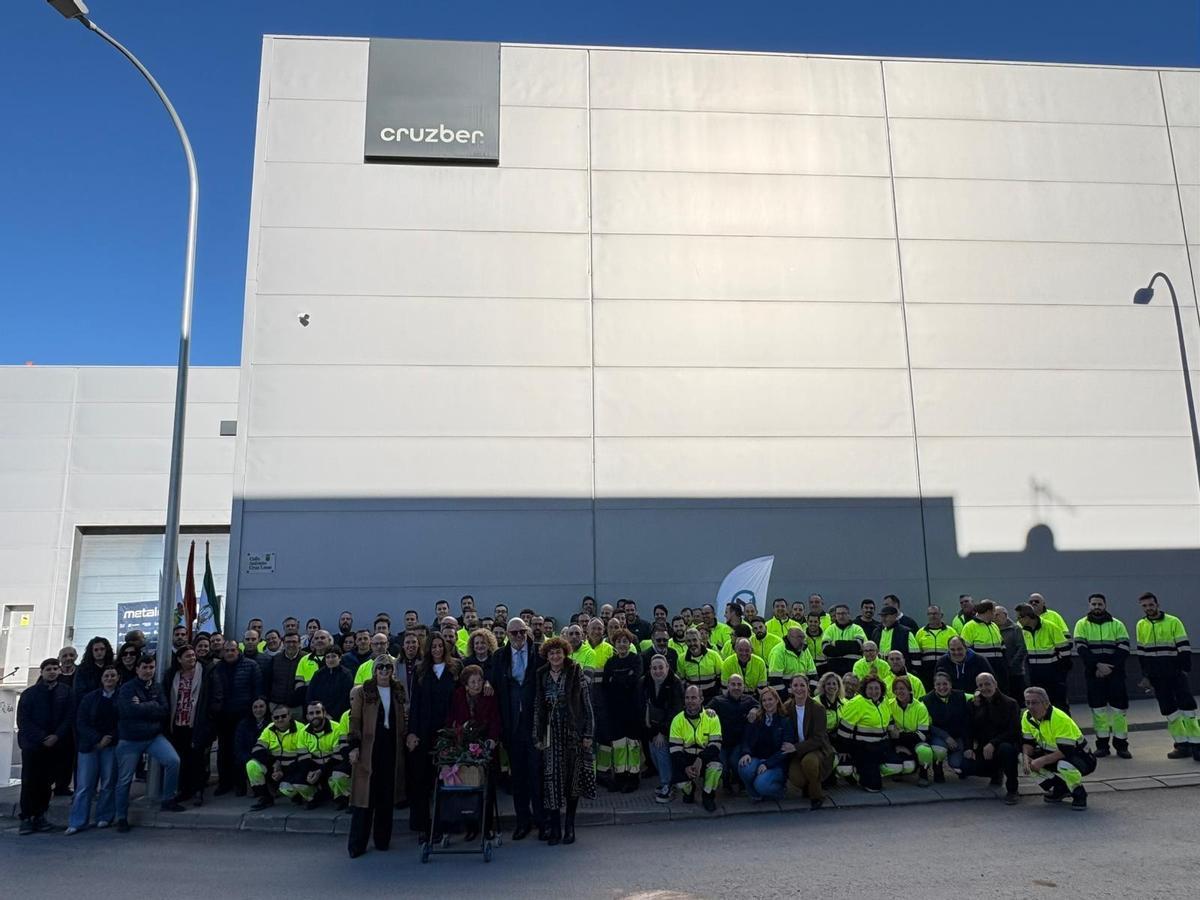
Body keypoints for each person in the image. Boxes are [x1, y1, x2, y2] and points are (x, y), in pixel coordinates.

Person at [533, 636, 595, 845]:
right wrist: (537, 735)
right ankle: (556, 828)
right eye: (551, 653)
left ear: (565, 653)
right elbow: (537, 708)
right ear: (547, 656)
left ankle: (570, 826)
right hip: (551, 734)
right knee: (552, 781)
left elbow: (586, 705)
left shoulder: (575, 671)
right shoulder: (541, 675)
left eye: (559, 652)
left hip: (572, 732)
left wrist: (588, 734)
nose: (555, 656)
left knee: (572, 781)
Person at [115, 654, 185, 832]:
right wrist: (151, 705)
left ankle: (168, 799)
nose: (148, 671)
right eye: (144, 668)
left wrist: (144, 706)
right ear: (137, 669)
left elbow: (164, 711)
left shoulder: (157, 687)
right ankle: (121, 816)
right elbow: (129, 711)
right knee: (124, 779)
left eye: (151, 668)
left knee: (173, 761)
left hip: (153, 737)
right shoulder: (127, 688)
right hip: (130, 739)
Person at [493, 617, 545, 841]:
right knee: (519, 777)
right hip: (512, 725)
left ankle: (542, 821)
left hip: (534, 724)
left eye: (522, 632)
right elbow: (494, 684)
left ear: (528, 632)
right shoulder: (500, 657)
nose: (518, 637)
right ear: (507, 635)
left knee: (537, 775)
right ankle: (522, 821)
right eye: (513, 633)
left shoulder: (539, 653)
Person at [1134, 591, 1199, 760]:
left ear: (1157, 604)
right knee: (1169, 711)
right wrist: (1146, 675)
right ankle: (1182, 745)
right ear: (1142, 607)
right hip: (1157, 676)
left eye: (1151, 605)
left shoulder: (1173, 621)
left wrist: (1183, 670)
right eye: (1145, 606)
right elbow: (1142, 653)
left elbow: (1183, 647)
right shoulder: (1141, 625)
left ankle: (1197, 745)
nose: (1149, 608)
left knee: (1187, 708)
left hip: (1175, 674)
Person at [408, 633, 461, 839]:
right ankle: (423, 827)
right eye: (434, 646)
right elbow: (415, 705)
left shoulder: (455, 668)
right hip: (424, 731)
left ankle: (446, 824)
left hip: (449, 732)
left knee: (447, 780)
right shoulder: (421, 671)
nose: (437, 649)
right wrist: (412, 732)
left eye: (440, 646)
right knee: (423, 780)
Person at [1068, 593, 1129, 758]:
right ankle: (1102, 746)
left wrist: (1110, 668)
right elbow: (1081, 649)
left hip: (1115, 674)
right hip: (1093, 673)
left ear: (1105, 605)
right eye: (1093, 604)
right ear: (1089, 606)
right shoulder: (1081, 624)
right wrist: (1097, 666)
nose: (1096, 607)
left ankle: (1122, 746)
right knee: (1098, 711)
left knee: (1119, 711)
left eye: (1099, 604)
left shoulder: (1117, 624)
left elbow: (1124, 648)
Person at [16, 658, 73, 834]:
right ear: (41, 672)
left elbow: (69, 717)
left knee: (47, 783)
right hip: (33, 746)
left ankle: (40, 816)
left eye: (55, 668)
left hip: (55, 746)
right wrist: (42, 737)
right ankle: (26, 817)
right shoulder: (30, 694)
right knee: (29, 782)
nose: (52, 671)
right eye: (48, 669)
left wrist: (56, 736)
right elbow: (24, 720)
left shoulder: (66, 692)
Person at [447, 664, 501, 842]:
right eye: (473, 682)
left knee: (487, 789)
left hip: (485, 743)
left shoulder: (489, 696)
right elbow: (452, 718)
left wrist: (493, 739)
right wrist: (454, 737)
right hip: (464, 744)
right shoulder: (458, 696)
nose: (477, 685)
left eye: (479, 681)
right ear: (466, 684)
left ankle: (487, 827)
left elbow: (495, 719)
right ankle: (471, 827)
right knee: (467, 788)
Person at [66, 664, 121, 834]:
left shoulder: (121, 698)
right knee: (84, 785)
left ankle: (104, 817)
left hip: (111, 746)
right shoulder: (90, 698)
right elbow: (81, 721)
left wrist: (108, 738)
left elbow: (123, 720)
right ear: (101, 679)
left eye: (113, 676)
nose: (110, 679)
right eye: (106, 676)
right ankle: (77, 821)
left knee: (108, 783)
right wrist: (97, 739)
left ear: (118, 678)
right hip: (89, 746)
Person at [1021, 686, 1089, 810]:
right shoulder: (1026, 716)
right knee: (1022, 758)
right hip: (1051, 754)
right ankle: (1060, 789)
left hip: (1080, 757)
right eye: (1027, 702)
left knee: (1064, 765)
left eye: (1034, 702)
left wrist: (1040, 761)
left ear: (1046, 704)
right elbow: (1027, 742)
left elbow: (1066, 751)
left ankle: (1079, 793)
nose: (1030, 706)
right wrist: (1026, 757)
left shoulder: (1059, 719)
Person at [210, 639, 262, 797]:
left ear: (238, 651)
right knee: (224, 750)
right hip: (223, 715)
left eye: (233, 650)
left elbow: (258, 689)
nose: (230, 653)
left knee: (240, 750)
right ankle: (224, 783)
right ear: (223, 652)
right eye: (227, 650)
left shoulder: (251, 665)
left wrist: (255, 711)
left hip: (244, 715)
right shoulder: (217, 668)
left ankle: (240, 784)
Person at [164, 646, 213, 807]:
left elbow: (212, 696)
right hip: (178, 722)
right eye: (187, 656)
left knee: (197, 758)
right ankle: (184, 790)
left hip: (198, 722)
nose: (192, 658)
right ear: (179, 659)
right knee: (182, 758)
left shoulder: (206, 671)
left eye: (193, 655)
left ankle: (198, 791)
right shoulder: (173, 674)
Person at [836, 675, 899, 792]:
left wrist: (896, 741)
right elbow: (843, 730)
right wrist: (843, 750)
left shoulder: (884, 701)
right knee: (873, 788)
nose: (874, 691)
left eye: (877, 688)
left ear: (881, 689)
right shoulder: (856, 703)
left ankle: (872, 771)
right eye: (870, 688)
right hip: (862, 747)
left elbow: (890, 721)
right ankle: (857, 772)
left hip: (881, 745)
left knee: (898, 765)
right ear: (864, 689)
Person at [966, 672, 1021, 804]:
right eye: (980, 685)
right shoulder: (974, 704)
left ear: (995, 684)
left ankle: (1013, 790)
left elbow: (1013, 731)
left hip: (1004, 744)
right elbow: (969, 728)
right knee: (967, 766)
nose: (984, 688)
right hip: (984, 747)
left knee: (1006, 750)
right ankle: (995, 772)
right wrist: (969, 748)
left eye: (987, 684)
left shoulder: (1010, 703)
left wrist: (993, 743)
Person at [783, 675, 835, 808]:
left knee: (809, 762)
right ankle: (808, 785)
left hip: (816, 749)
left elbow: (819, 738)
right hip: (797, 751)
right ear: (791, 688)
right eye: (795, 685)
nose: (799, 689)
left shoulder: (818, 708)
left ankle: (817, 795)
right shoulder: (787, 707)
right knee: (796, 777)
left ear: (808, 688)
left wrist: (796, 747)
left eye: (802, 685)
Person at [601, 628, 643, 793]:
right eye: (619, 641)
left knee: (632, 744)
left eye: (625, 641)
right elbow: (606, 683)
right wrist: (625, 677)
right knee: (618, 744)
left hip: (633, 708)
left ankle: (633, 778)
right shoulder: (610, 662)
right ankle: (620, 776)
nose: (622, 644)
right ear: (614, 644)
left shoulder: (636, 659)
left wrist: (616, 679)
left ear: (630, 643)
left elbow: (634, 680)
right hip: (615, 709)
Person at [247, 705, 312, 810]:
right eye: (276, 717)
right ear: (272, 718)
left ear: (290, 716)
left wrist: (282, 771)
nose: (280, 719)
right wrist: (274, 763)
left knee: (286, 788)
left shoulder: (301, 729)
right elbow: (257, 750)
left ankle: (301, 796)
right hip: (276, 768)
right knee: (252, 765)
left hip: (295, 768)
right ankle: (265, 798)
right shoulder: (269, 728)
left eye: (283, 716)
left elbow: (304, 758)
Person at [670, 684, 723, 812]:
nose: (690, 701)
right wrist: (685, 767)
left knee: (716, 767)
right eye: (687, 698)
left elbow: (716, 746)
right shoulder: (677, 720)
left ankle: (708, 796)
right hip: (686, 758)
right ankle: (689, 790)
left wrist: (700, 759)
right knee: (680, 783)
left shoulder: (712, 717)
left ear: (701, 699)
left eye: (694, 698)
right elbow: (674, 750)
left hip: (706, 756)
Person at [737, 687, 795, 800]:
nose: (767, 703)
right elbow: (746, 739)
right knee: (744, 767)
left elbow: (785, 751)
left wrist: (768, 764)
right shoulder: (757, 719)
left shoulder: (785, 721)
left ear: (777, 700)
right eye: (764, 700)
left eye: (770, 699)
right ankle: (755, 794)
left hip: (776, 764)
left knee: (761, 784)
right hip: (758, 759)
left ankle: (778, 791)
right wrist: (746, 753)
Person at [640, 654, 684, 803]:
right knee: (653, 753)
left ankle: (668, 785)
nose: (657, 671)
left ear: (667, 668)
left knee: (661, 749)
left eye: (661, 668)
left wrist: (662, 732)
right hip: (651, 726)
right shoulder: (645, 681)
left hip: (671, 727)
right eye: (654, 668)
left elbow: (675, 710)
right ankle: (667, 781)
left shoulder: (675, 683)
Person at [1015, 602, 1072, 713]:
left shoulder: (1050, 627)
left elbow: (1065, 652)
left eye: (1019, 617)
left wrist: (1060, 674)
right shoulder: (1021, 630)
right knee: (1039, 705)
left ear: (1027, 617)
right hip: (1034, 673)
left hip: (1053, 674)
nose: (1018, 620)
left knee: (1059, 704)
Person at [707, 673, 758, 792]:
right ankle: (726, 783)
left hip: (739, 743)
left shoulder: (749, 700)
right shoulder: (717, 701)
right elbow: (705, 711)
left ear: (743, 687)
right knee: (722, 766)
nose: (736, 687)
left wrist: (755, 709)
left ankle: (739, 780)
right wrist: (708, 710)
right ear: (727, 686)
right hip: (721, 743)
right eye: (733, 684)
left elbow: (759, 705)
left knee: (736, 762)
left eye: (739, 684)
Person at [923, 671, 971, 781]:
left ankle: (958, 766)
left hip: (957, 736)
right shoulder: (926, 701)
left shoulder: (961, 696)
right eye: (938, 684)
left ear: (950, 685)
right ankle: (937, 767)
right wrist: (946, 737)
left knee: (958, 764)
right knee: (939, 750)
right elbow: (928, 725)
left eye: (945, 684)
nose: (942, 687)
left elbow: (977, 696)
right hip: (939, 736)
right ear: (934, 686)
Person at [304, 700, 350, 811]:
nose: (315, 716)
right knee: (291, 785)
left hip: (333, 765)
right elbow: (302, 758)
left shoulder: (337, 728)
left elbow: (338, 757)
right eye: (311, 713)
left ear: (324, 713)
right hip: (315, 767)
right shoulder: (303, 732)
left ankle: (345, 799)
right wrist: (310, 772)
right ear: (307, 716)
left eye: (318, 712)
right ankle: (316, 797)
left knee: (336, 776)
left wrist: (320, 771)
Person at [887, 676, 933, 786]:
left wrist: (900, 735)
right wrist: (898, 744)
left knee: (924, 751)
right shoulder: (889, 705)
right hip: (897, 744)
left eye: (902, 688)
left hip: (916, 743)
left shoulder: (920, 707)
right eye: (896, 689)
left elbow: (922, 735)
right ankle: (899, 770)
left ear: (909, 689)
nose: (899, 691)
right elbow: (890, 732)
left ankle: (923, 774)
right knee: (906, 766)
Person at [959, 600, 1006, 692]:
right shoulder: (969, 626)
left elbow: (1002, 646)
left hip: (998, 667)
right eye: (994, 611)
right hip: (980, 668)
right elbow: (965, 650)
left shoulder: (994, 626)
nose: (995, 614)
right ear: (988, 612)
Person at [234, 698, 270, 796]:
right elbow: (239, 748)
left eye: (261, 706)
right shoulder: (243, 724)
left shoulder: (272, 724)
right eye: (255, 707)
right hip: (248, 758)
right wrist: (250, 759)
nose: (258, 710)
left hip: (266, 759)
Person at [677, 627, 724, 702]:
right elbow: (682, 681)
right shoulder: (681, 659)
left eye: (695, 640)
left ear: (700, 640)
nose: (692, 644)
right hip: (692, 700)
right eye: (689, 641)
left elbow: (721, 677)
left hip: (712, 698)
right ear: (685, 642)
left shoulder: (714, 655)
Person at [767, 626, 817, 694]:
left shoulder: (804, 650)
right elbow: (775, 682)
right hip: (786, 696)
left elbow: (813, 675)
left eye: (804, 638)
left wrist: (810, 691)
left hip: (804, 694)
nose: (803, 641)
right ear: (790, 637)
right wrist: (792, 694)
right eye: (800, 638)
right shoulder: (778, 652)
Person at [821, 605, 867, 676]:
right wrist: (849, 647)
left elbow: (858, 646)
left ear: (849, 615)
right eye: (838, 614)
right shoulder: (829, 629)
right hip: (834, 670)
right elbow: (825, 649)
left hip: (853, 669)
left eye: (843, 613)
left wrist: (836, 643)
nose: (841, 616)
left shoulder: (857, 629)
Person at [266, 631, 304, 715]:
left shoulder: (305, 658)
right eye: (288, 642)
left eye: (294, 642)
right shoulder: (275, 659)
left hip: (297, 707)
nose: (291, 645)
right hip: (276, 705)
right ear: (283, 643)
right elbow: (268, 681)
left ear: (299, 643)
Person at [994, 606, 1027, 701]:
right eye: (994, 615)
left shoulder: (1015, 629)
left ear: (1005, 615)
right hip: (1000, 672)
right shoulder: (993, 629)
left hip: (1015, 672)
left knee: (1018, 699)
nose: (995, 617)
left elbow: (1022, 648)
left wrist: (1012, 664)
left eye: (997, 615)